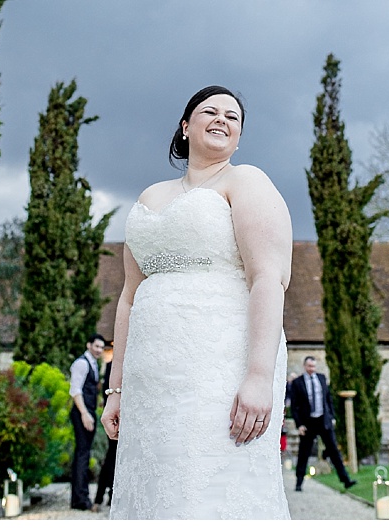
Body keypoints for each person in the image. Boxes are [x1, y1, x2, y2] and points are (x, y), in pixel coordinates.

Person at [105, 86, 292, 519]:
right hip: (152, 380)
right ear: (186, 127)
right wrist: (117, 389)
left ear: (239, 137)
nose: (222, 119)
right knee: (154, 489)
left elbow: (269, 277)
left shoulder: (246, 181)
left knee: (209, 485)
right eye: (210, 111)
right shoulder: (150, 197)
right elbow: (129, 298)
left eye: (233, 116)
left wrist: (259, 376)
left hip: (220, 367)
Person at [285, 356, 356, 491]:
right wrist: (299, 424)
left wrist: (332, 417)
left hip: (323, 420)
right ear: (305, 366)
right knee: (304, 453)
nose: (312, 369)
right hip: (308, 423)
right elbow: (295, 406)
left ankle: (346, 480)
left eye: (314, 366)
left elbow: (328, 399)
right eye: (310, 366)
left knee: (334, 450)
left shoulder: (322, 378)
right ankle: (299, 482)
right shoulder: (298, 383)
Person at [68, 333, 108, 510]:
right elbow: (75, 390)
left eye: (101, 347)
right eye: (97, 346)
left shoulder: (93, 363)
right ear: (89, 345)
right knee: (82, 455)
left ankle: (81, 497)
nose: (99, 350)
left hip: (88, 411)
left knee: (84, 454)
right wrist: (84, 413)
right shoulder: (82, 363)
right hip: (81, 413)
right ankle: (80, 499)